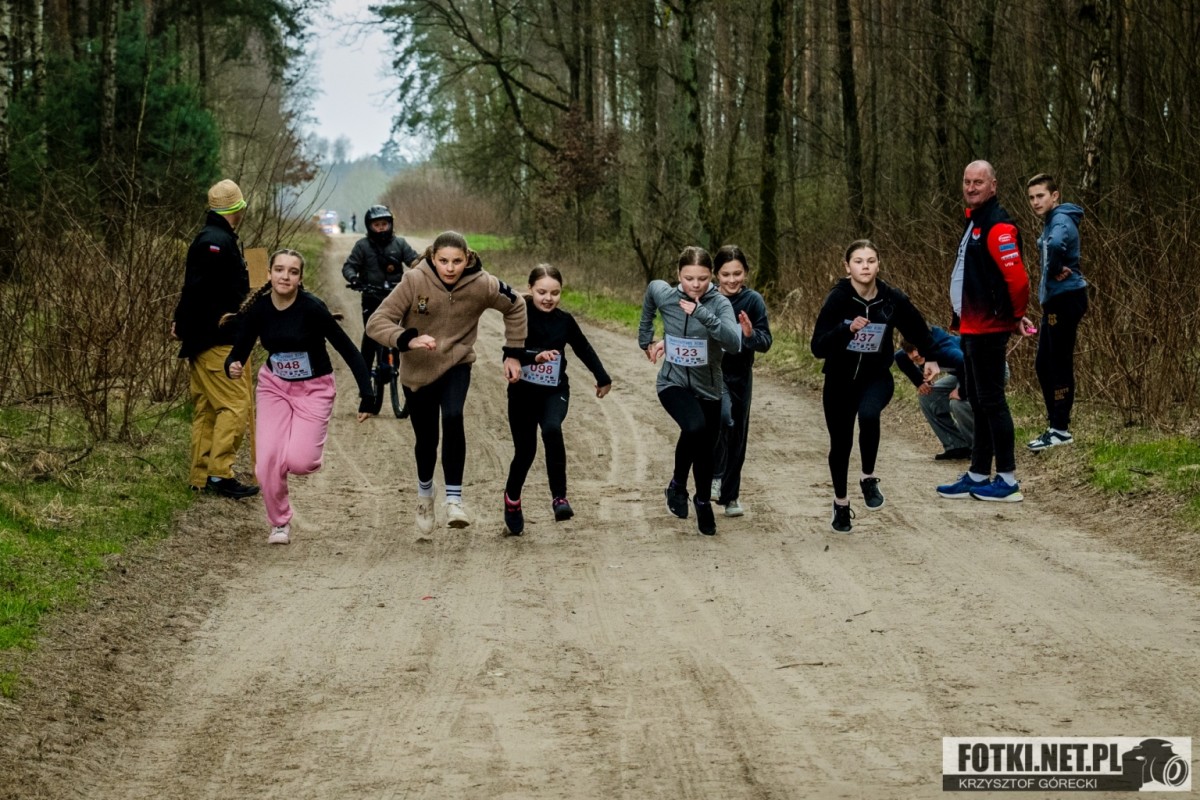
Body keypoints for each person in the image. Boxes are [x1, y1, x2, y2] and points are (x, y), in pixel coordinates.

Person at [366, 231, 527, 532]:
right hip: (417, 369)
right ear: (432, 257)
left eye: (457, 261)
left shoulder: (482, 283)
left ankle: (454, 500)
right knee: (427, 439)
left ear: (467, 258)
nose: (450, 268)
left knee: (453, 417)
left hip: (456, 362)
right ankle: (425, 495)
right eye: (443, 261)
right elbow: (377, 323)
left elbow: (516, 305)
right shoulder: (414, 280)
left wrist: (514, 353)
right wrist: (407, 339)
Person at [224, 250, 375, 544]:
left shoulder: (312, 308)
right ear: (269, 274)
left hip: (314, 388)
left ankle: (297, 451)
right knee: (266, 462)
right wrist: (232, 365)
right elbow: (238, 351)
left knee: (300, 462)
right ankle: (279, 523)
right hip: (274, 387)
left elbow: (347, 349)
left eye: (292, 272)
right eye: (279, 270)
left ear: (300, 278)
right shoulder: (260, 309)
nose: (285, 276)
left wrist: (367, 395)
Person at [811, 240, 940, 533]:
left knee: (869, 415)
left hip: (876, 377)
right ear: (847, 267)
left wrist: (932, 357)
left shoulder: (891, 299)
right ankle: (841, 504)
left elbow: (918, 329)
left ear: (878, 265)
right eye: (858, 261)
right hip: (839, 380)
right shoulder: (838, 299)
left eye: (870, 261)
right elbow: (817, 347)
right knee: (841, 444)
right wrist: (846, 329)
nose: (865, 266)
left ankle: (868, 478)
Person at [936, 160, 1032, 502]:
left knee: (992, 402)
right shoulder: (975, 221)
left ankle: (1007, 480)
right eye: (967, 181)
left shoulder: (998, 225)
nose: (971, 187)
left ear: (993, 185)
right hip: (971, 327)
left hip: (989, 328)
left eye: (978, 182)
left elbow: (1018, 280)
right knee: (977, 400)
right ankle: (978, 473)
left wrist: (1014, 315)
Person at [638, 246, 742, 536]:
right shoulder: (666, 294)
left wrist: (702, 314)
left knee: (705, 448)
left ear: (712, 277)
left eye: (703, 279)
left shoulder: (720, 304)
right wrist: (645, 338)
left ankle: (699, 499)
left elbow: (734, 343)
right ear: (678, 275)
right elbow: (651, 291)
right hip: (672, 382)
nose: (695, 285)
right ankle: (679, 486)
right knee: (694, 426)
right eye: (688, 278)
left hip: (708, 388)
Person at [502, 266, 612, 535]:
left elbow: (583, 347)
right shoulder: (520, 316)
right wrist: (535, 357)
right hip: (522, 394)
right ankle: (512, 499)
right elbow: (509, 354)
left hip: (554, 390)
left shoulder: (565, 321)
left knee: (552, 428)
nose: (548, 298)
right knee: (525, 451)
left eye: (555, 293)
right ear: (530, 289)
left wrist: (602, 377)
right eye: (542, 292)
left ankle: (559, 498)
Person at [172, 179, 258, 499]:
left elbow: (195, 287)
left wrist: (180, 321)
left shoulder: (215, 238)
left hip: (205, 338)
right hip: (216, 340)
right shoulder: (216, 242)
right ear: (238, 208)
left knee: (209, 409)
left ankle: (201, 475)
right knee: (235, 405)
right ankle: (220, 475)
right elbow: (197, 289)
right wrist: (183, 321)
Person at [709, 245, 772, 517]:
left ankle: (731, 497)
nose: (732, 280)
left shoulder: (753, 301)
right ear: (716, 274)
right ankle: (715, 475)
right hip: (712, 373)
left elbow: (766, 342)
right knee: (722, 420)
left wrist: (749, 335)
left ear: (746, 272)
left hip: (741, 375)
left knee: (737, 435)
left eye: (737, 273)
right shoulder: (707, 298)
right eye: (726, 274)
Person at [1026, 173, 1087, 451]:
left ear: (1055, 195)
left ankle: (1060, 430)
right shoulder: (1053, 219)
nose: (1035, 202)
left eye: (1040, 196)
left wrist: (1053, 268)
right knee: (1044, 363)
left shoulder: (1060, 219)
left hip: (1065, 299)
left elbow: (1054, 244)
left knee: (1057, 363)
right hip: (1056, 301)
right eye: (1031, 198)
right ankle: (1055, 425)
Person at [341, 205, 420, 388]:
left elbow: (415, 262)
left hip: (397, 297)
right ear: (369, 226)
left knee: (401, 330)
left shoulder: (400, 244)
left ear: (390, 224)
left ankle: (397, 365)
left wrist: (423, 270)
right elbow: (349, 266)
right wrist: (354, 279)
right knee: (371, 332)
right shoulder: (362, 246)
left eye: (384, 224)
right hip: (372, 296)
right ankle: (364, 378)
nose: (381, 228)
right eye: (377, 225)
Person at [895, 328, 972, 460]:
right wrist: (919, 382)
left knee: (958, 403)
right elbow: (899, 357)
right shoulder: (907, 355)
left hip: (988, 369)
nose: (914, 355)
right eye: (910, 351)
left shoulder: (944, 350)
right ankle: (957, 446)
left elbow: (965, 363)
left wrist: (962, 391)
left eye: (916, 350)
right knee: (928, 396)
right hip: (963, 372)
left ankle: (982, 446)